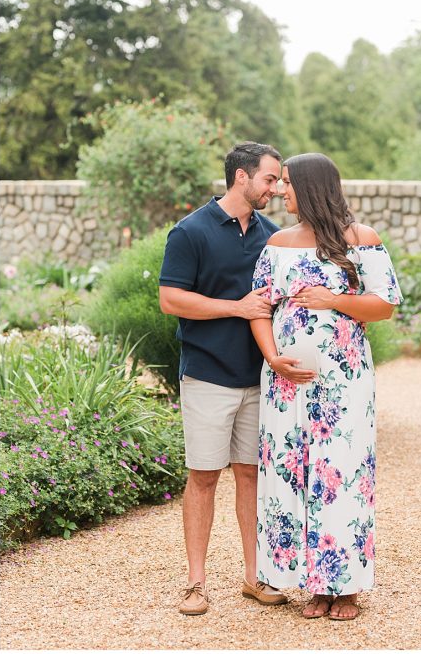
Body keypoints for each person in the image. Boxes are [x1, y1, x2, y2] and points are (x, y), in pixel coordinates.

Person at [249, 152, 402, 622]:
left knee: (342, 473)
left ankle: (345, 587)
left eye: (289, 183)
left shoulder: (363, 242)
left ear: (313, 188)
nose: (280, 190)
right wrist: (274, 358)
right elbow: (258, 308)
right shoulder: (277, 243)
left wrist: (332, 299)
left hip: (344, 382)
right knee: (292, 472)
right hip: (287, 382)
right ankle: (311, 584)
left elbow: (385, 304)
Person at [159, 141, 289, 615]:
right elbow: (171, 299)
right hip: (207, 376)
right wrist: (236, 308)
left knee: (252, 478)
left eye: (278, 182)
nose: (275, 189)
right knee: (204, 478)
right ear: (242, 177)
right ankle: (196, 584)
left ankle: (255, 577)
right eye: (270, 179)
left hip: (259, 379)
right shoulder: (189, 232)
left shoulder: (272, 236)